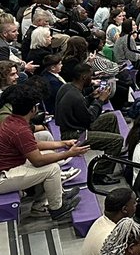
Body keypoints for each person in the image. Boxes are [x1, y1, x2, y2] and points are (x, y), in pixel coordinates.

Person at [0, 84, 87, 222]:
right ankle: (57, 209)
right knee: (52, 169)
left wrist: (63, 143)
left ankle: (52, 197)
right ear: (33, 109)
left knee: (47, 149)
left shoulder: (13, 120)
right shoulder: (20, 129)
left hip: (10, 166)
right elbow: (38, 160)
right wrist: (69, 153)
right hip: (4, 176)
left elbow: (32, 145)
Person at [55, 60, 124, 184]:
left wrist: (91, 97)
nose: (92, 79)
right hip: (75, 134)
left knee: (111, 117)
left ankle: (113, 155)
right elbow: (90, 118)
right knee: (117, 140)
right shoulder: (76, 97)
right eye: (90, 76)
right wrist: (100, 100)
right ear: (84, 77)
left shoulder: (67, 87)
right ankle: (99, 175)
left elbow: (79, 108)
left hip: (72, 126)